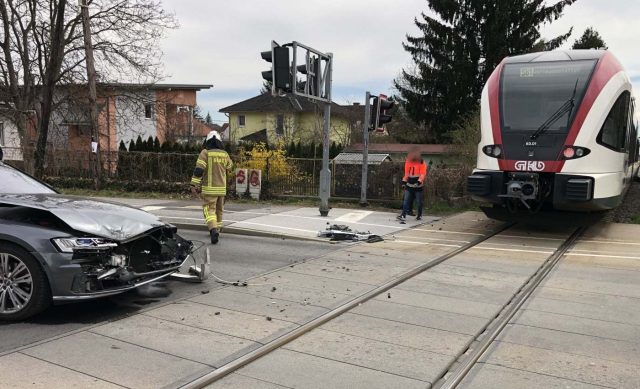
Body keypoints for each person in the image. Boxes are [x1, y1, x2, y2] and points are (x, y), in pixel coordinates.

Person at [191, 131, 233, 244]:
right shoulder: (225, 154)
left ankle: (213, 229)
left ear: (207, 141)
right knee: (219, 210)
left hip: (209, 189)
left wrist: (193, 185)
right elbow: (230, 167)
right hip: (222, 189)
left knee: (209, 210)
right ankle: (217, 229)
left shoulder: (205, 153)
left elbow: (199, 170)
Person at [397, 147, 428, 222]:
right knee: (406, 200)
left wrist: (419, 182)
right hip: (409, 185)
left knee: (419, 202)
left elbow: (422, 174)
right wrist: (404, 182)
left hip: (418, 186)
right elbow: (407, 173)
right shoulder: (408, 161)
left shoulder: (421, 162)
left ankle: (419, 215)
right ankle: (403, 215)